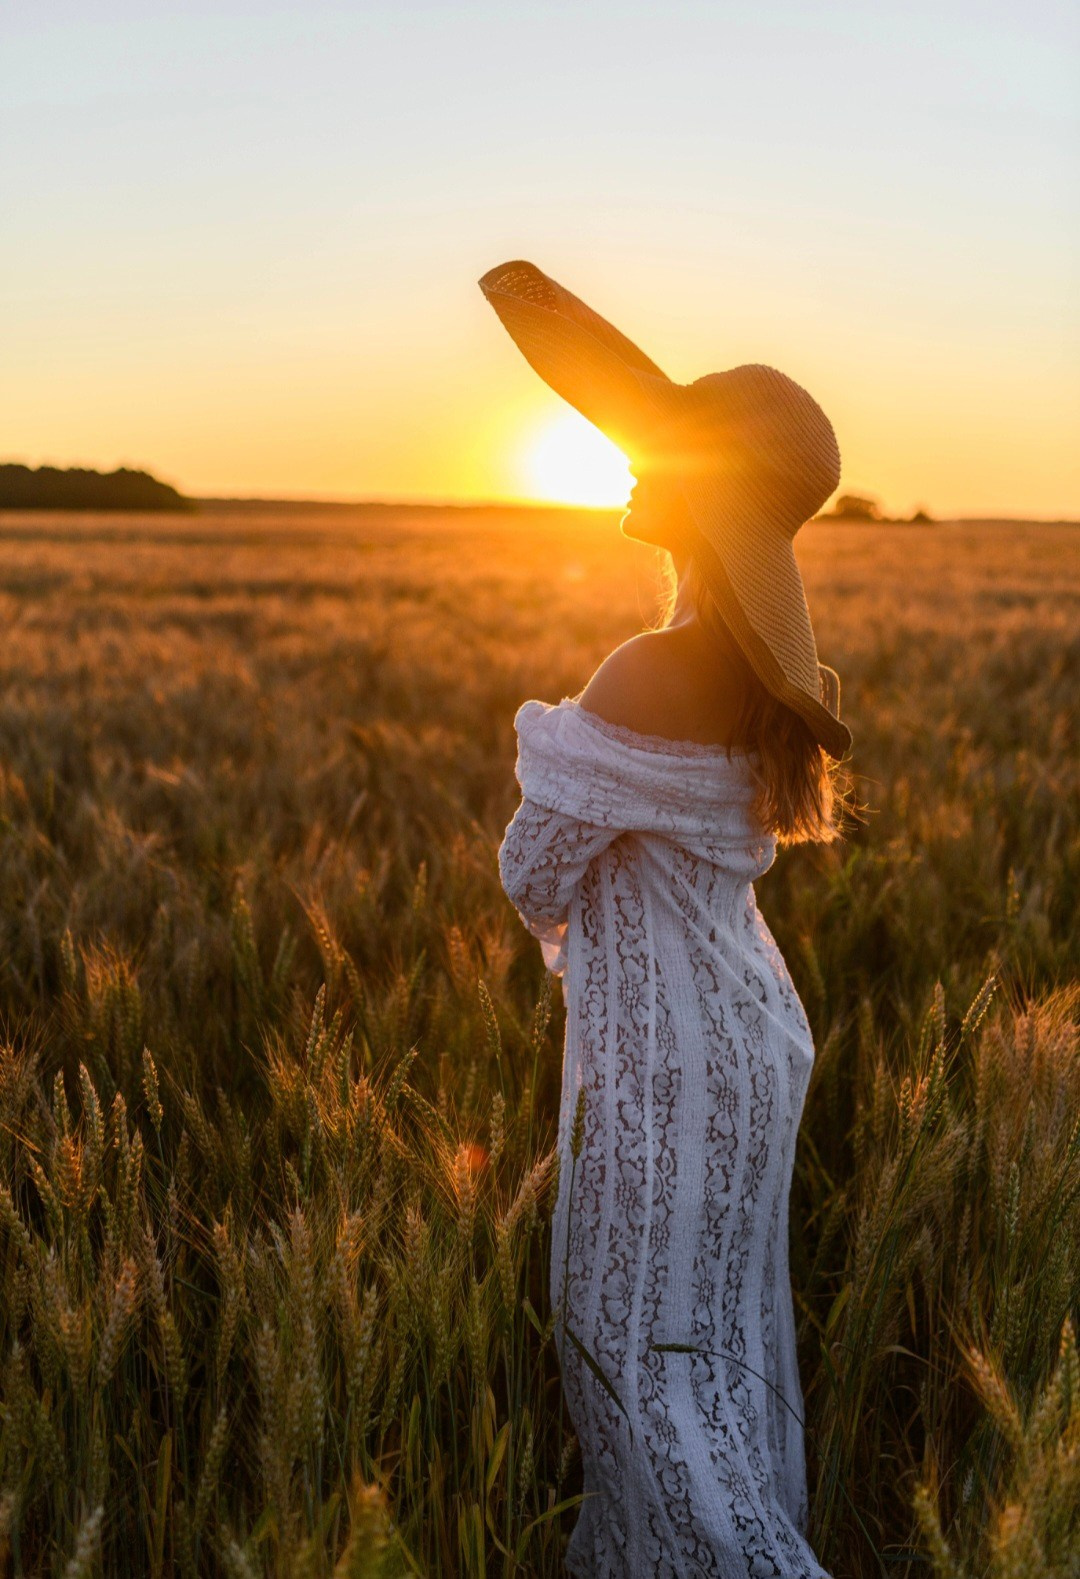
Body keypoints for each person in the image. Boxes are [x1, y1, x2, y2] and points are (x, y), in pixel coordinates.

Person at [481, 260, 852, 1579]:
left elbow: (534, 870)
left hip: (665, 1059)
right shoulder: (759, 683)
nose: (633, 468)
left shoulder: (645, 668)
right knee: (717, 1353)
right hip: (753, 1036)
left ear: (699, 495)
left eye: (662, 452)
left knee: (637, 1351)